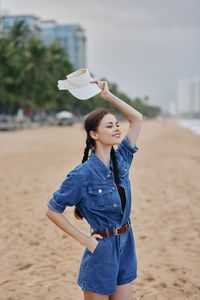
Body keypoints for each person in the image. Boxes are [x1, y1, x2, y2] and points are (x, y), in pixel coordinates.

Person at [46, 79, 143, 300]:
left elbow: (137, 119)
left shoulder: (122, 160)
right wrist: (86, 240)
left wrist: (107, 96)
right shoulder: (82, 175)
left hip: (127, 244)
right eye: (109, 126)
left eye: (116, 124)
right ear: (94, 134)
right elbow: (52, 210)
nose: (117, 128)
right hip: (101, 251)